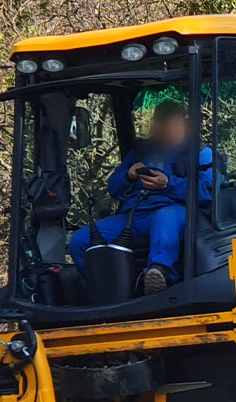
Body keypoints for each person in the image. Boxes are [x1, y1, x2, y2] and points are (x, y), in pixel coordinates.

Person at [68, 100, 213, 294]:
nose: (162, 132)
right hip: (134, 215)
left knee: (164, 219)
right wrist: (129, 176)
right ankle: (100, 291)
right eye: (159, 126)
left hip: (178, 212)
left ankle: (160, 276)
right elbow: (113, 188)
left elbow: (208, 191)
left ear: (183, 125)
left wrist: (169, 185)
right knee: (80, 240)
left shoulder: (201, 153)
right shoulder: (140, 151)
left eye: (169, 126)